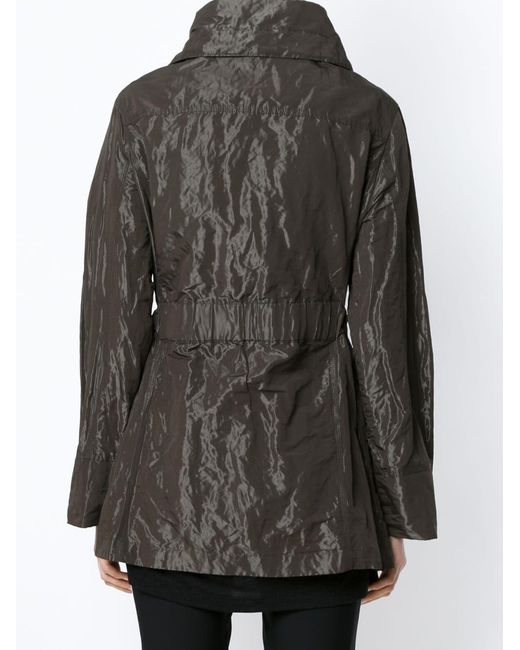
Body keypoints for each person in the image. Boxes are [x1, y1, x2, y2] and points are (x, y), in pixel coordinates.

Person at [67, 1, 438, 648]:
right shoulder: (367, 112)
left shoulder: (145, 108)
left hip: (170, 486)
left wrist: (104, 498)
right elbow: (388, 326)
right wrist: (394, 508)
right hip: (320, 492)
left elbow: (112, 318)